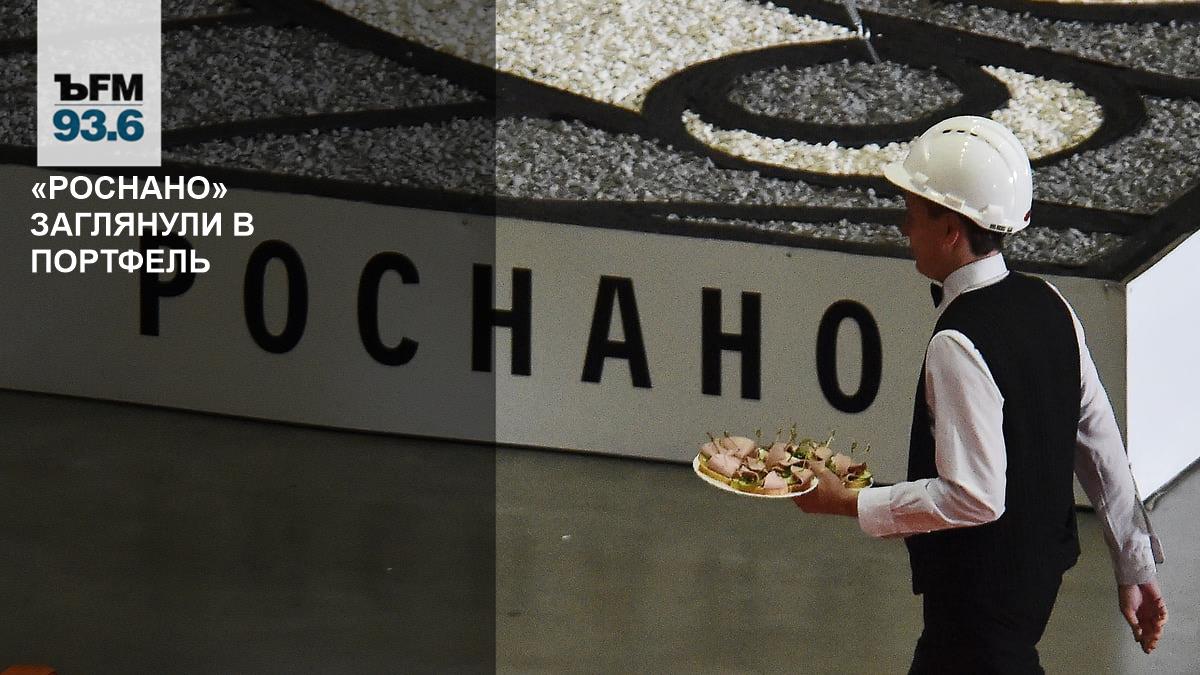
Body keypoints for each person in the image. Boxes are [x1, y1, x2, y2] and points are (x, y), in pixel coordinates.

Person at [793, 116, 1167, 673]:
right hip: (1028, 595)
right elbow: (1099, 443)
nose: (904, 226)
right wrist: (1135, 565)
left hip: (973, 616)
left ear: (950, 229)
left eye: (913, 211)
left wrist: (848, 502)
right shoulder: (1051, 303)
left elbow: (975, 497)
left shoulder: (957, 342)